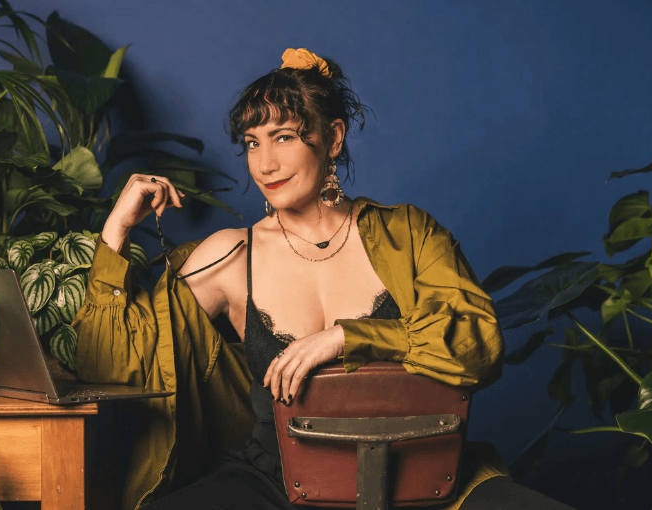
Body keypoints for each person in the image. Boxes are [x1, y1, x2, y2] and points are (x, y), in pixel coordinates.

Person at [73, 48, 574, 510]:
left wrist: (345, 338)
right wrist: (116, 229)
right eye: (253, 143)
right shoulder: (230, 255)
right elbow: (114, 368)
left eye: (285, 137)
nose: (265, 163)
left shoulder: (409, 233)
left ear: (332, 138)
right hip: (276, 479)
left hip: (426, 476)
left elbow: (477, 344)